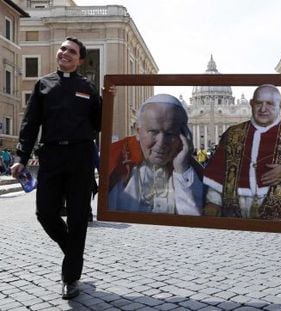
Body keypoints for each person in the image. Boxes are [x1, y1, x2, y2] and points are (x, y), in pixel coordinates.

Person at [10, 37, 102, 300]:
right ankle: (74, 251)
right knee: (45, 212)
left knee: (77, 219)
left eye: (71, 52)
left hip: (80, 157)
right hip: (51, 156)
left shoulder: (88, 87)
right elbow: (30, 124)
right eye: (63, 49)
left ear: (80, 60)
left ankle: (70, 278)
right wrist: (20, 157)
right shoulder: (43, 84)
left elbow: (98, 124)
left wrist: (109, 100)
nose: (65, 53)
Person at [203, 84, 281, 220]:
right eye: (258, 103)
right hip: (234, 212)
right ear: (251, 104)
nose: (263, 109)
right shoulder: (232, 134)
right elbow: (218, 172)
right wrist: (213, 201)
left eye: (270, 104)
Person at [108, 94, 203, 215]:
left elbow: (193, 220)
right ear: (138, 132)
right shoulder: (117, 161)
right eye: (153, 132)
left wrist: (182, 170)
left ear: (184, 135)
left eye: (170, 133)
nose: (161, 143)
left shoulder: (188, 169)